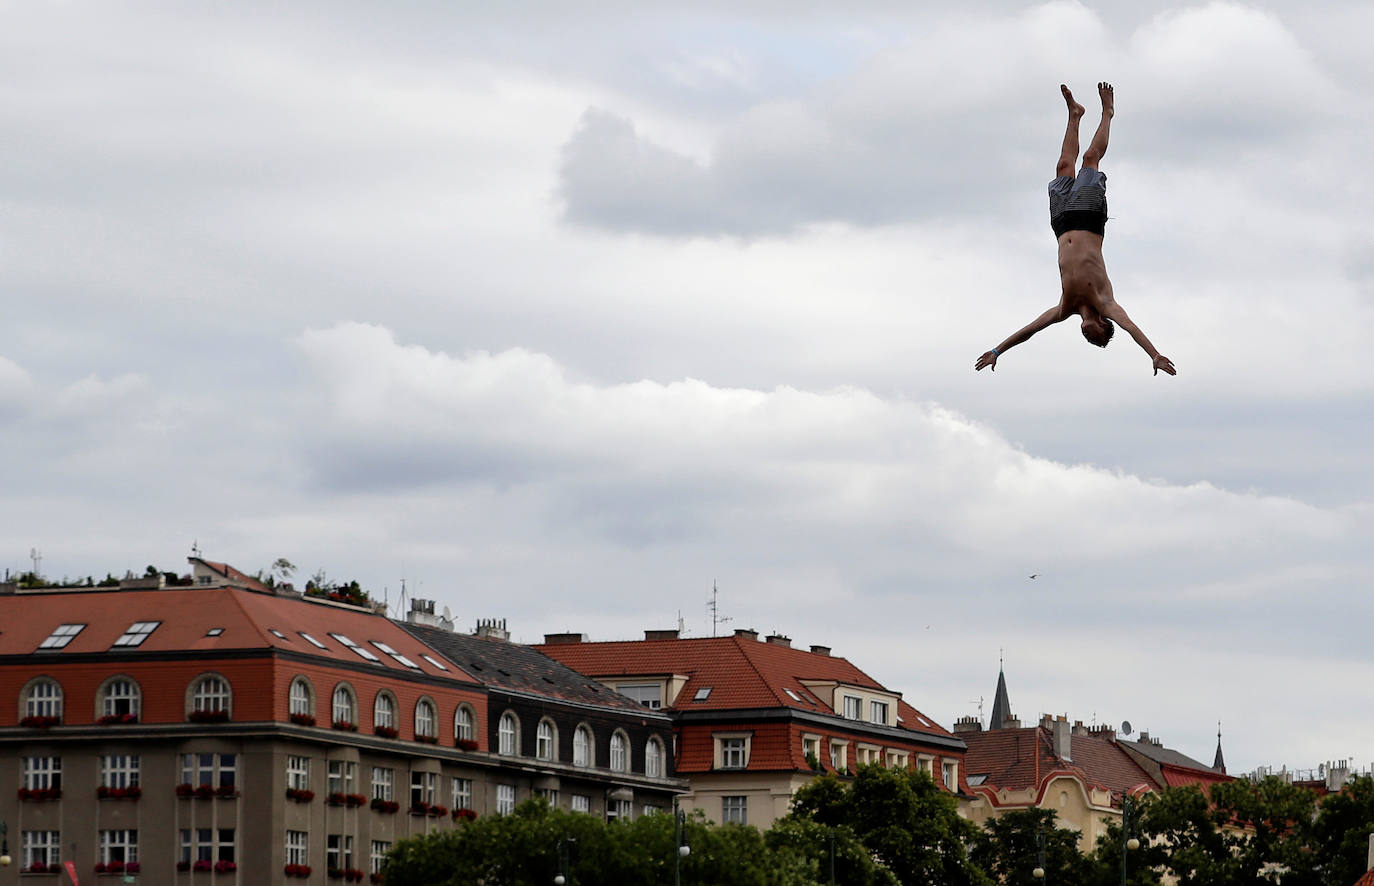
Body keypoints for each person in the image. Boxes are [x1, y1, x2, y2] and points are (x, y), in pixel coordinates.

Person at [975, 83, 1176, 376]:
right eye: (1094, 336)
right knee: (1090, 159)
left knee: (1063, 165)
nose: (1087, 334)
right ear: (1104, 325)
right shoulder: (1106, 304)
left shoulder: (1064, 308)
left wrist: (996, 351)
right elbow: (1131, 327)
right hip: (1088, 219)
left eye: (1087, 338)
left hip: (1061, 225)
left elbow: (1030, 330)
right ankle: (1108, 113)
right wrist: (1154, 354)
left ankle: (1075, 114)